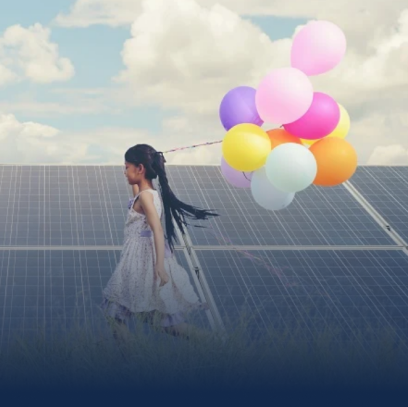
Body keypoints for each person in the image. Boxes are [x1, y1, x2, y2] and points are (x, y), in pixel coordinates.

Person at [100, 144, 219, 344]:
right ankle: (216, 342)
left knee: (116, 312)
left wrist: (160, 267)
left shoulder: (146, 197)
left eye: (127, 167)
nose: (124, 171)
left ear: (140, 168)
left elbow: (157, 229)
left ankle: (129, 362)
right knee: (159, 321)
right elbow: (136, 189)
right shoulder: (147, 193)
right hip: (139, 260)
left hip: (140, 263)